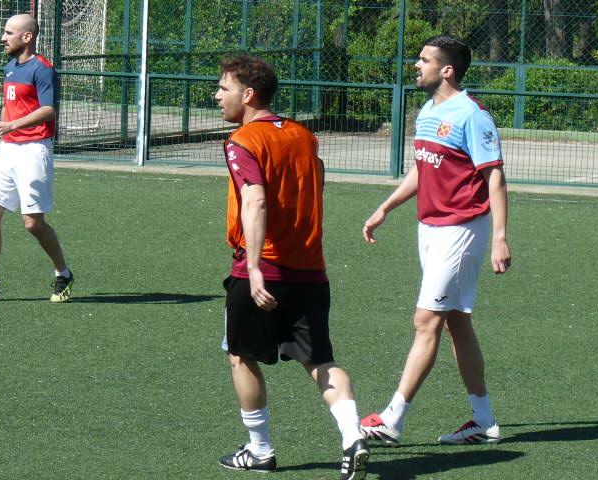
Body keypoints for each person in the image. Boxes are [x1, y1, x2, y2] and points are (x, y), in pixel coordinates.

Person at [214, 54, 369, 479]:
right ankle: (352, 435)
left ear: (248, 94)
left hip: (263, 270)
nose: (217, 95)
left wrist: (254, 266)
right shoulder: (304, 135)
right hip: (311, 271)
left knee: (240, 357)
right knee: (320, 361)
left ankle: (260, 450)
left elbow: (256, 200)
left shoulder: (243, 140)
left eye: (224, 88)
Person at [359, 35, 512, 446]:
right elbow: (421, 168)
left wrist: (499, 237)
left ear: (447, 70)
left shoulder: (472, 115)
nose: (416, 64)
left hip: (461, 230)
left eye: (424, 60)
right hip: (430, 228)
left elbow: (494, 176)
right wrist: (386, 207)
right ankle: (484, 420)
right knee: (457, 323)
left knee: (426, 321)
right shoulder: (427, 111)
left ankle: (392, 419)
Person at [0, 14, 73, 302]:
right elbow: (9, 106)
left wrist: (12, 125)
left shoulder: (43, 69)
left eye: (8, 33)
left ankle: (63, 273)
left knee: (32, 223)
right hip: (7, 149)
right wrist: (2, 129)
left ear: (27, 37)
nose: (3, 38)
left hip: (34, 149)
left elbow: (49, 110)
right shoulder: (10, 67)